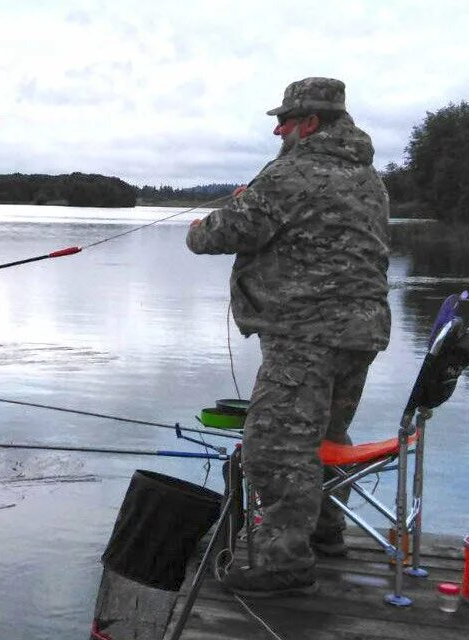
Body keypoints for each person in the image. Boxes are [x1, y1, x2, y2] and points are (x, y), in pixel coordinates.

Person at [185, 77, 391, 597]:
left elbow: (226, 233)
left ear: (311, 123)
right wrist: (254, 201)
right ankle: (325, 534)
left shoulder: (292, 170)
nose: (278, 129)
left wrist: (198, 227)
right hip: (361, 332)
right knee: (323, 436)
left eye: (285, 121)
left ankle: (284, 562)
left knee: (274, 448)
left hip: (306, 333)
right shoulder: (369, 179)